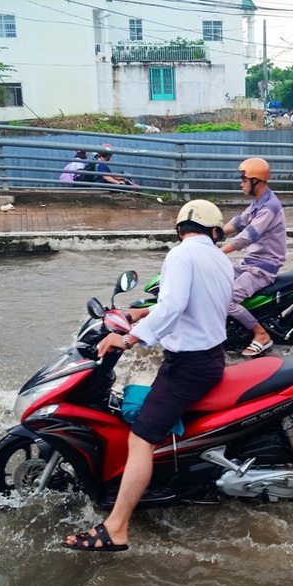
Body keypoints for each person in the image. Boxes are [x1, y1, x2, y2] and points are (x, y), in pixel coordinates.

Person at [63, 200, 233, 551]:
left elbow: (173, 306)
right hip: (210, 358)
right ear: (215, 232)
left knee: (141, 438)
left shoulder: (180, 255)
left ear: (180, 229)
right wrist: (139, 313)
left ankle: (116, 527)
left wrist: (127, 339)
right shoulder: (219, 259)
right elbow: (188, 303)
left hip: (187, 366)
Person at [221, 157, 287, 357]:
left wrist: (218, 251)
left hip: (262, 268)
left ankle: (261, 334)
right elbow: (238, 222)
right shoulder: (259, 202)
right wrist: (209, 234)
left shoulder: (270, 206)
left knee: (227, 300)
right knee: (215, 282)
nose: (241, 184)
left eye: (244, 180)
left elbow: (248, 236)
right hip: (249, 262)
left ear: (255, 180)